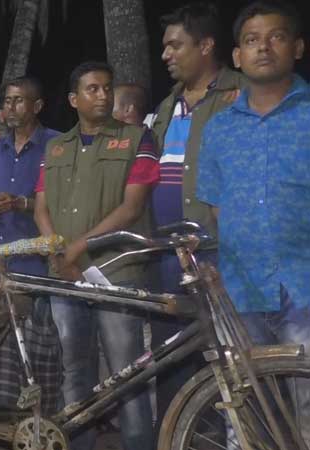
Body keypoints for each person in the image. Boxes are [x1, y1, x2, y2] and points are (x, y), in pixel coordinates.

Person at [34, 61, 159, 450]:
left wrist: (79, 247)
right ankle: (79, 442)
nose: (103, 95)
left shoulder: (138, 138)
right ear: (74, 99)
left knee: (127, 373)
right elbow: (41, 207)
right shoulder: (55, 147)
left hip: (116, 270)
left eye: (107, 88)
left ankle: (138, 444)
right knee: (75, 371)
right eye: (93, 89)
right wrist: (57, 248)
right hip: (65, 275)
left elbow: (132, 208)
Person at [197, 1, 309, 434]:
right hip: (240, 290)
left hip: (304, 287)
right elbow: (216, 208)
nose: (263, 47)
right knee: (246, 416)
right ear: (237, 55)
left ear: (297, 47)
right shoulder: (219, 128)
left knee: (307, 410)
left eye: (276, 37)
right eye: (251, 40)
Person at [148, 2, 245, 430]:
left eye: (175, 45)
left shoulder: (239, 94)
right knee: (173, 358)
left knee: (230, 357)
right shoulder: (167, 105)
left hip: (218, 252)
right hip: (169, 255)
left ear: (205, 46)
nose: (166, 54)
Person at [0, 76, 61, 414]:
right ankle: (2, 422)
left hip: (36, 263)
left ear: (37, 106)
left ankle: (44, 420)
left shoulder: (56, 145)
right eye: (7, 101)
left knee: (41, 351)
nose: (10, 107)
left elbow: (62, 202)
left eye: (19, 100)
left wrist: (21, 203)